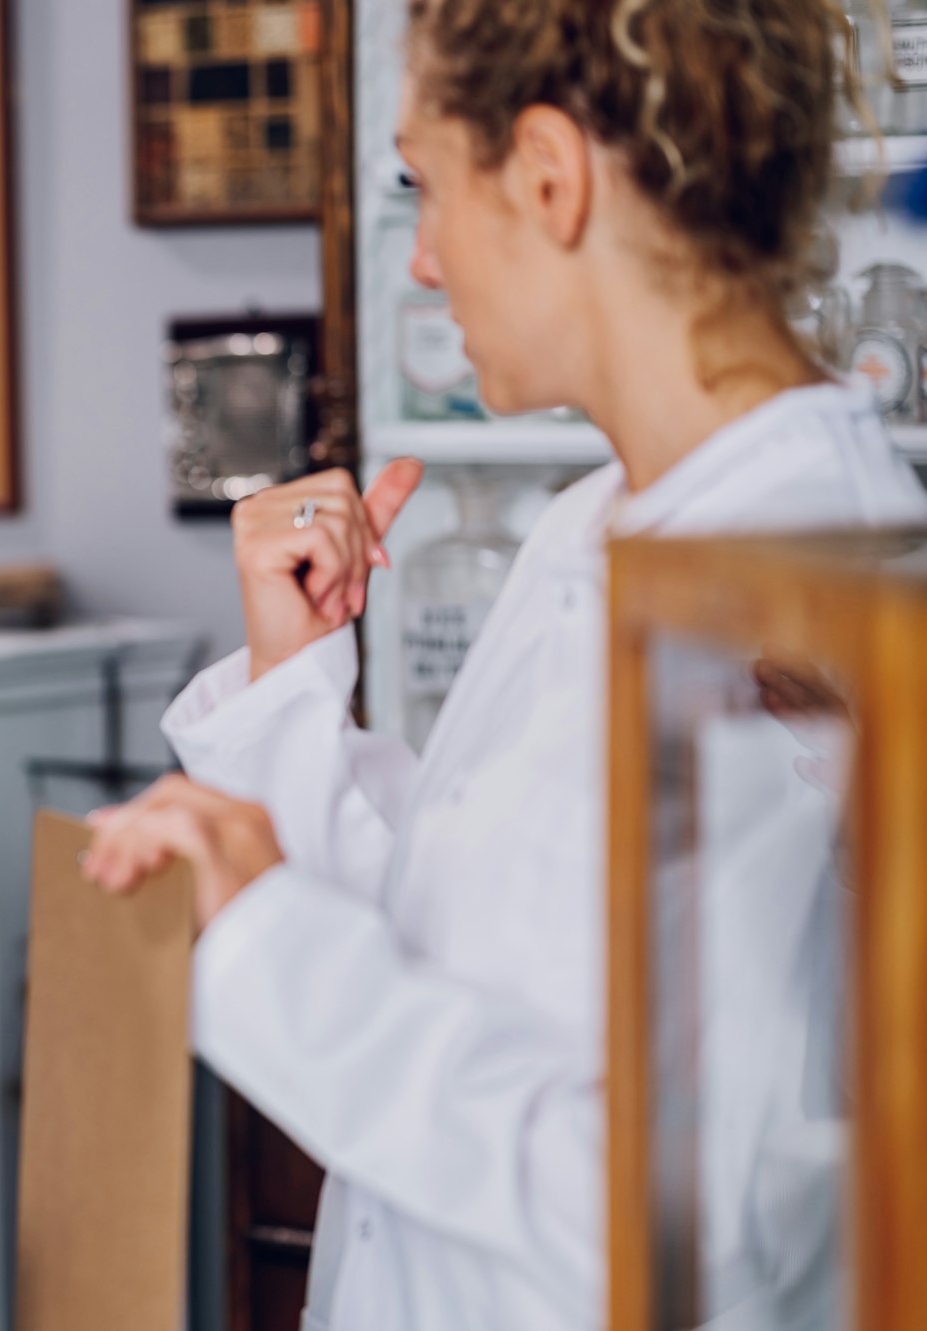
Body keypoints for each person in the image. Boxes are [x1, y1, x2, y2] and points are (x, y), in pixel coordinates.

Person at [83, 2, 924, 1327]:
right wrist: (293, 696)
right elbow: (488, 932)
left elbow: (677, 1236)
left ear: (548, 175)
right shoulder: (607, 516)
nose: (419, 261)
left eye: (426, 187)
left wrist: (278, 963)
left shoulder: (787, 588)